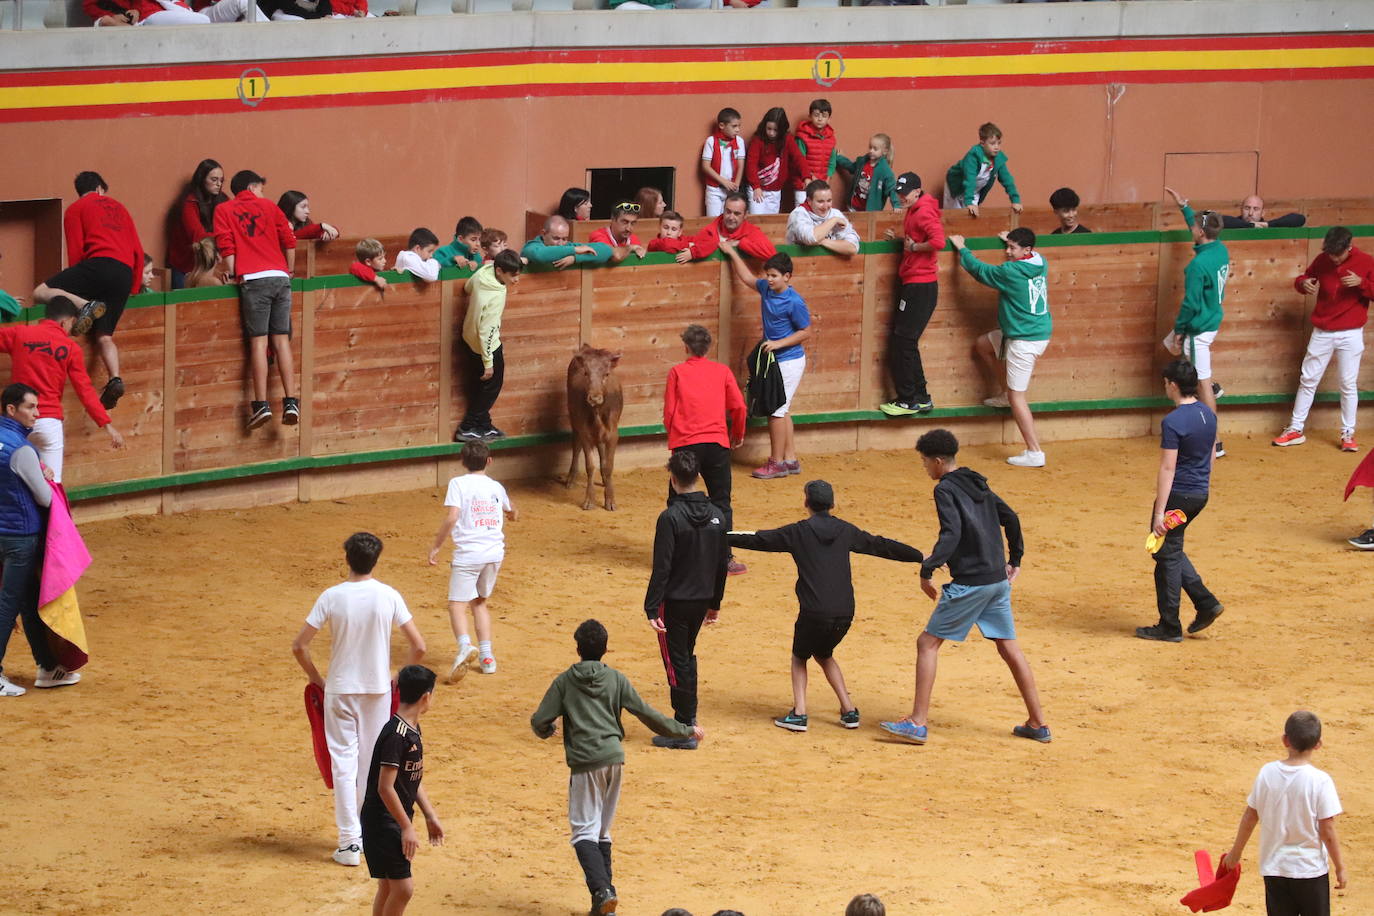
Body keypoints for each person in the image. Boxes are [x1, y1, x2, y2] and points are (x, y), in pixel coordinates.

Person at [880, 428, 1050, 745]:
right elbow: (1010, 518)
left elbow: (952, 534)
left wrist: (927, 569)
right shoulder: (976, 482)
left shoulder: (944, 489)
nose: (925, 468)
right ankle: (1038, 723)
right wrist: (1016, 559)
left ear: (939, 461)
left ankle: (917, 722)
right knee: (1009, 647)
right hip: (998, 581)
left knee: (926, 644)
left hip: (972, 584)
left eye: (925, 462)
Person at [531, 619, 703, 916]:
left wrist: (547, 731)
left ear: (578, 648)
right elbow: (647, 714)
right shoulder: (616, 679)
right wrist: (685, 730)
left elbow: (539, 720)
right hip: (615, 759)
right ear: (605, 649)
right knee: (602, 832)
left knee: (583, 832)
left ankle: (603, 891)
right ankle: (604, 907)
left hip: (586, 762)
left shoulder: (564, 681)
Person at [729, 479, 922, 733]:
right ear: (832, 504)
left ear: (806, 502)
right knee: (824, 653)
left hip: (814, 612)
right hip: (845, 613)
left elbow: (759, 539)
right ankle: (849, 710)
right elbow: (881, 545)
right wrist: (919, 556)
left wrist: (717, 535)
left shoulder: (798, 531)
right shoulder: (845, 530)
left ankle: (799, 714)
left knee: (800, 657)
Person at [291, 532, 426, 867]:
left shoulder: (332, 596)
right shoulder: (389, 595)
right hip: (377, 691)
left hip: (340, 688)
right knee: (371, 764)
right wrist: (398, 675)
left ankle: (349, 842)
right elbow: (419, 646)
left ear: (346, 558)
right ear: (375, 560)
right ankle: (367, 834)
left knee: (343, 763)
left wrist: (316, 678)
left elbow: (299, 646)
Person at [33, 170, 143, 412]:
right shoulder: (120, 207)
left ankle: (84, 305)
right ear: (101, 189)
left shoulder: (75, 209)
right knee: (104, 336)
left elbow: (76, 250)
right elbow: (137, 248)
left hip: (97, 264)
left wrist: (81, 283)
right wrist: (133, 287)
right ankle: (115, 377)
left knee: (40, 291)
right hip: (124, 273)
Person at [1220, 711, 1346, 916]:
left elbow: (1250, 816)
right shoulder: (1321, 781)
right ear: (1318, 744)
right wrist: (1340, 867)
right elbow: (1327, 829)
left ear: (1285, 740)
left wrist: (1236, 852)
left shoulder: (1267, 773)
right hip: (1310, 871)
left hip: (1275, 868)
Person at [644, 450, 728, 746]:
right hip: (701, 599)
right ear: (698, 477)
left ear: (672, 479)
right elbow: (721, 565)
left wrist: (651, 606)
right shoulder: (717, 516)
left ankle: (684, 726)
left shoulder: (670, 518)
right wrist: (715, 604)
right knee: (686, 657)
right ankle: (687, 720)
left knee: (676, 662)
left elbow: (662, 566)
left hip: (675, 602)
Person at [1136, 359, 1224, 642]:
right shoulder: (1209, 414)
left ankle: (1170, 624)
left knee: (1165, 554)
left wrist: (1159, 512)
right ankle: (1205, 603)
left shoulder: (1173, 421)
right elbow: (1211, 453)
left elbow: (1168, 468)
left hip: (1179, 494)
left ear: (1173, 385)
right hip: (1199, 493)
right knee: (1169, 551)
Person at [951, 227, 1052, 468]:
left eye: (1012, 248)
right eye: (1007, 246)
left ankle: (1034, 451)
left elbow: (980, 271)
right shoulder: (1041, 261)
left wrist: (962, 248)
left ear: (1026, 250)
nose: (1007, 252)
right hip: (1031, 330)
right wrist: (1010, 240)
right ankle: (1005, 394)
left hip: (1023, 338)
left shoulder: (1011, 271)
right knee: (983, 345)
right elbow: (1017, 255)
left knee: (1018, 396)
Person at [0, 384, 77, 698]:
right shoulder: (22, 450)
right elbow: (45, 499)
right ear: (11, 410)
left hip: (2, 534)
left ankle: (47, 667)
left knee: (28, 602)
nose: (37, 413)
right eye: (31, 407)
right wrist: (44, 475)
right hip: (22, 537)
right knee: (9, 604)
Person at [0, 297, 125, 483]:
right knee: (52, 486)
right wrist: (107, 424)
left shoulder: (20, 334)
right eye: (72, 324)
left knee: (12, 483)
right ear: (65, 321)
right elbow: (85, 390)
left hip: (17, 421)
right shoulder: (70, 348)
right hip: (48, 422)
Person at [1272, 226, 1374, 452]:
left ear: (1349, 247)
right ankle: (1295, 429)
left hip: (1351, 332)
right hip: (1323, 330)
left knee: (1348, 384)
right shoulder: (1322, 259)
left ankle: (1348, 434)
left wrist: (1362, 284)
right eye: (1330, 254)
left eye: (1338, 255)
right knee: (1308, 380)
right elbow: (1305, 277)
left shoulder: (1367, 262)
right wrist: (1303, 284)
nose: (1334, 259)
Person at [212, 169, 300, 431]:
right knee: (282, 341)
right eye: (260, 188)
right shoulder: (270, 207)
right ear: (251, 187)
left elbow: (226, 245)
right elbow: (289, 240)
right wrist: (289, 271)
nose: (263, 193)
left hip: (253, 278)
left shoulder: (224, 210)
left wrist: (234, 270)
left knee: (259, 344)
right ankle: (291, 401)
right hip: (279, 276)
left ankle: (261, 405)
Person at [427, 440, 517, 680]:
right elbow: (511, 509)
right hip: (494, 553)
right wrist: (512, 514)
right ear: (489, 461)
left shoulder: (458, 483)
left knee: (456, 604)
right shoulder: (496, 487)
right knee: (479, 602)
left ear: (463, 462)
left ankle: (465, 645)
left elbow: (452, 517)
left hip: (469, 553)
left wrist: (436, 546)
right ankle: (487, 657)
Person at [720, 247, 811, 479]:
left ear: (787, 277)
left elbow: (805, 331)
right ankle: (790, 459)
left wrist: (778, 344)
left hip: (788, 361)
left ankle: (777, 462)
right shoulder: (766, 289)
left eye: (774, 276)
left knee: (776, 410)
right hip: (776, 360)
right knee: (783, 408)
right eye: (768, 275)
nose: (768, 279)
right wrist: (732, 253)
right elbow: (748, 278)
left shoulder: (794, 301)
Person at [359, 664, 442, 916]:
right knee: (403, 889)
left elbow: (411, 779)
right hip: (383, 821)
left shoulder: (411, 728)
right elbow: (385, 788)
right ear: (426, 697)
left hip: (389, 818)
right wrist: (406, 827)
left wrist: (429, 815)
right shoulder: (398, 735)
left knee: (388, 885)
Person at [663, 324, 747, 573]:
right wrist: (737, 434)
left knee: (676, 500)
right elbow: (739, 407)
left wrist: (675, 443)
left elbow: (669, 412)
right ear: (708, 347)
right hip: (716, 443)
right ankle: (725, 558)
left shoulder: (677, 372)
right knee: (722, 501)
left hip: (686, 444)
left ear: (686, 347)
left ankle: (677, 557)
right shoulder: (721, 371)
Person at [1164, 187, 1230, 457]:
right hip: (1211, 320)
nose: (1191, 228)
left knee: (1200, 382)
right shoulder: (1221, 251)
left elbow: (1189, 304)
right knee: (1169, 346)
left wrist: (1180, 330)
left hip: (1197, 327)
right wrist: (1184, 207)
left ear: (1200, 233)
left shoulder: (1197, 266)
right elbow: (1200, 224)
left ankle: (1214, 442)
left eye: (1193, 226)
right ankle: (1211, 386)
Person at [879, 172, 944, 417]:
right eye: (899, 192)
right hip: (918, 284)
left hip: (919, 285)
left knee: (903, 342)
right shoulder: (916, 209)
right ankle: (921, 397)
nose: (901, 197)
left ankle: (908, 400)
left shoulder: (923, 211)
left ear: (918, 191)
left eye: (905, 193)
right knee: (906, 342)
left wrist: (914, 247)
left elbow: (938, 241)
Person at [456, 249, 523, 441]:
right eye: (513, 275)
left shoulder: (484, 272)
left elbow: (468, 287)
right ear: (500, 271)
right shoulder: (496, 296)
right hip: (487, 346)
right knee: (492, 386)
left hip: (469, 337)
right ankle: (468, 426)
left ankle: (484, 425)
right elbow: (488, 331)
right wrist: (488, 362)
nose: (516, 280)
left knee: (482, 386)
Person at [167, 159, 228, 289]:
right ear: (202, 179)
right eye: (214, 179)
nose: (218, 184)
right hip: (186, 265)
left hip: (211, 265)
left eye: (221, 180)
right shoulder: (189, 203)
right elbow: (198, 235)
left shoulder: (223, 199)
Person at [944, 122, 1023, 218]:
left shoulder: (998, 158)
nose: (997, 147)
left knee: (972, 216)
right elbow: (970, 179)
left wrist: (1015, 200)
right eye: (992, 143)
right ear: (982, 143)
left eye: (999, 143)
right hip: (956, 185)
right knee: (954, 217)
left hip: (974, 190)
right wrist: (969, 202)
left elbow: (1007, 180)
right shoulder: (973, 156)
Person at [676, 192, 778, 264]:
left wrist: (739, 243)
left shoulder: (751, 231)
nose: (731, 217)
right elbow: (696, 244)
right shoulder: (710, 230)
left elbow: (772, 255)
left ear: (745, 215)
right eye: (728, 211)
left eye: (737, 213)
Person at [785, 180, 860, 257]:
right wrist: (833, 220)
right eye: (820, 202)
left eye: (829, 201)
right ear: (809, 201)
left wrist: (823, 241)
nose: (825, 206)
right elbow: (812, 238)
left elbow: (853, 247)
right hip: (799, 263)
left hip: (832, 266)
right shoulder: (798, 214)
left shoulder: (835, 214)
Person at [744, 107, 794, 216]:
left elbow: (798, 157)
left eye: (775, 130)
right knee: (756, 220)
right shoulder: (757, 140)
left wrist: (806, 177)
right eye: (769, 129)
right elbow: (751, 164)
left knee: (771, 221)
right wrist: (756, 186)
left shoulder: (788, 139)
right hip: (757, 188)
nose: (771, 133)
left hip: (775, 190)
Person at [790, 99, 837, 209]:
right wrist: (810, 177)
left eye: (824, 116)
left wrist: (827, 179)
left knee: (821, 214)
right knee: (802, 213)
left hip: (822, 184)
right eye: (816, 115)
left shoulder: (831, 138)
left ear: (829, 118)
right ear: (810, 116)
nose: (820, 119)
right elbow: (799, 160)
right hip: (803, 184)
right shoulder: (802, 137)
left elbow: (832, 161)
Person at [701, 107, 747, 218]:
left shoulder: (739, 141)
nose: (737, 130)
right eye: (734, 126)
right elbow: (705, 166)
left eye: (739, 126)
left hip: (732, 190)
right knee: (714, 220)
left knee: (731, 220)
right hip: (715, 190)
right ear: (722, 126)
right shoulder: (711, 141)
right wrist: (724, 181)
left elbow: (741, 164)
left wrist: (736, 184)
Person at [521, 216, 611, 270]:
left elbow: (606, 250)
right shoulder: (531, 246)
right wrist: (574, 250)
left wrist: (575, 258)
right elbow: (539, 255)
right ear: (544, 234)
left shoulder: (567, 246)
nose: (560, 244)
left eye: (564, 239)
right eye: (556, 238)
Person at [838, 133, 899, 212]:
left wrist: (896, 205)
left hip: (870, 212)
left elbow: (892, 188)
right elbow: (852, 167)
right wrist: (839, 158)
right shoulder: (863, 161)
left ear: (885, 151)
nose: (871, 151)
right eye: (870, 147)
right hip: (853, 207)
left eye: (875, 149)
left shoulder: (885, 170)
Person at [1222, 196, 1306, 230]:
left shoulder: (1267, 226)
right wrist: (1251, 225)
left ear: (1263, 213)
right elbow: (1209, 216)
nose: (1250, 213)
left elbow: (1300, 219)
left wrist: (1268, 225)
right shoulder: (1232, 223)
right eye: (1247, 208)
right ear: (1241, 210)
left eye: (1256, 209)